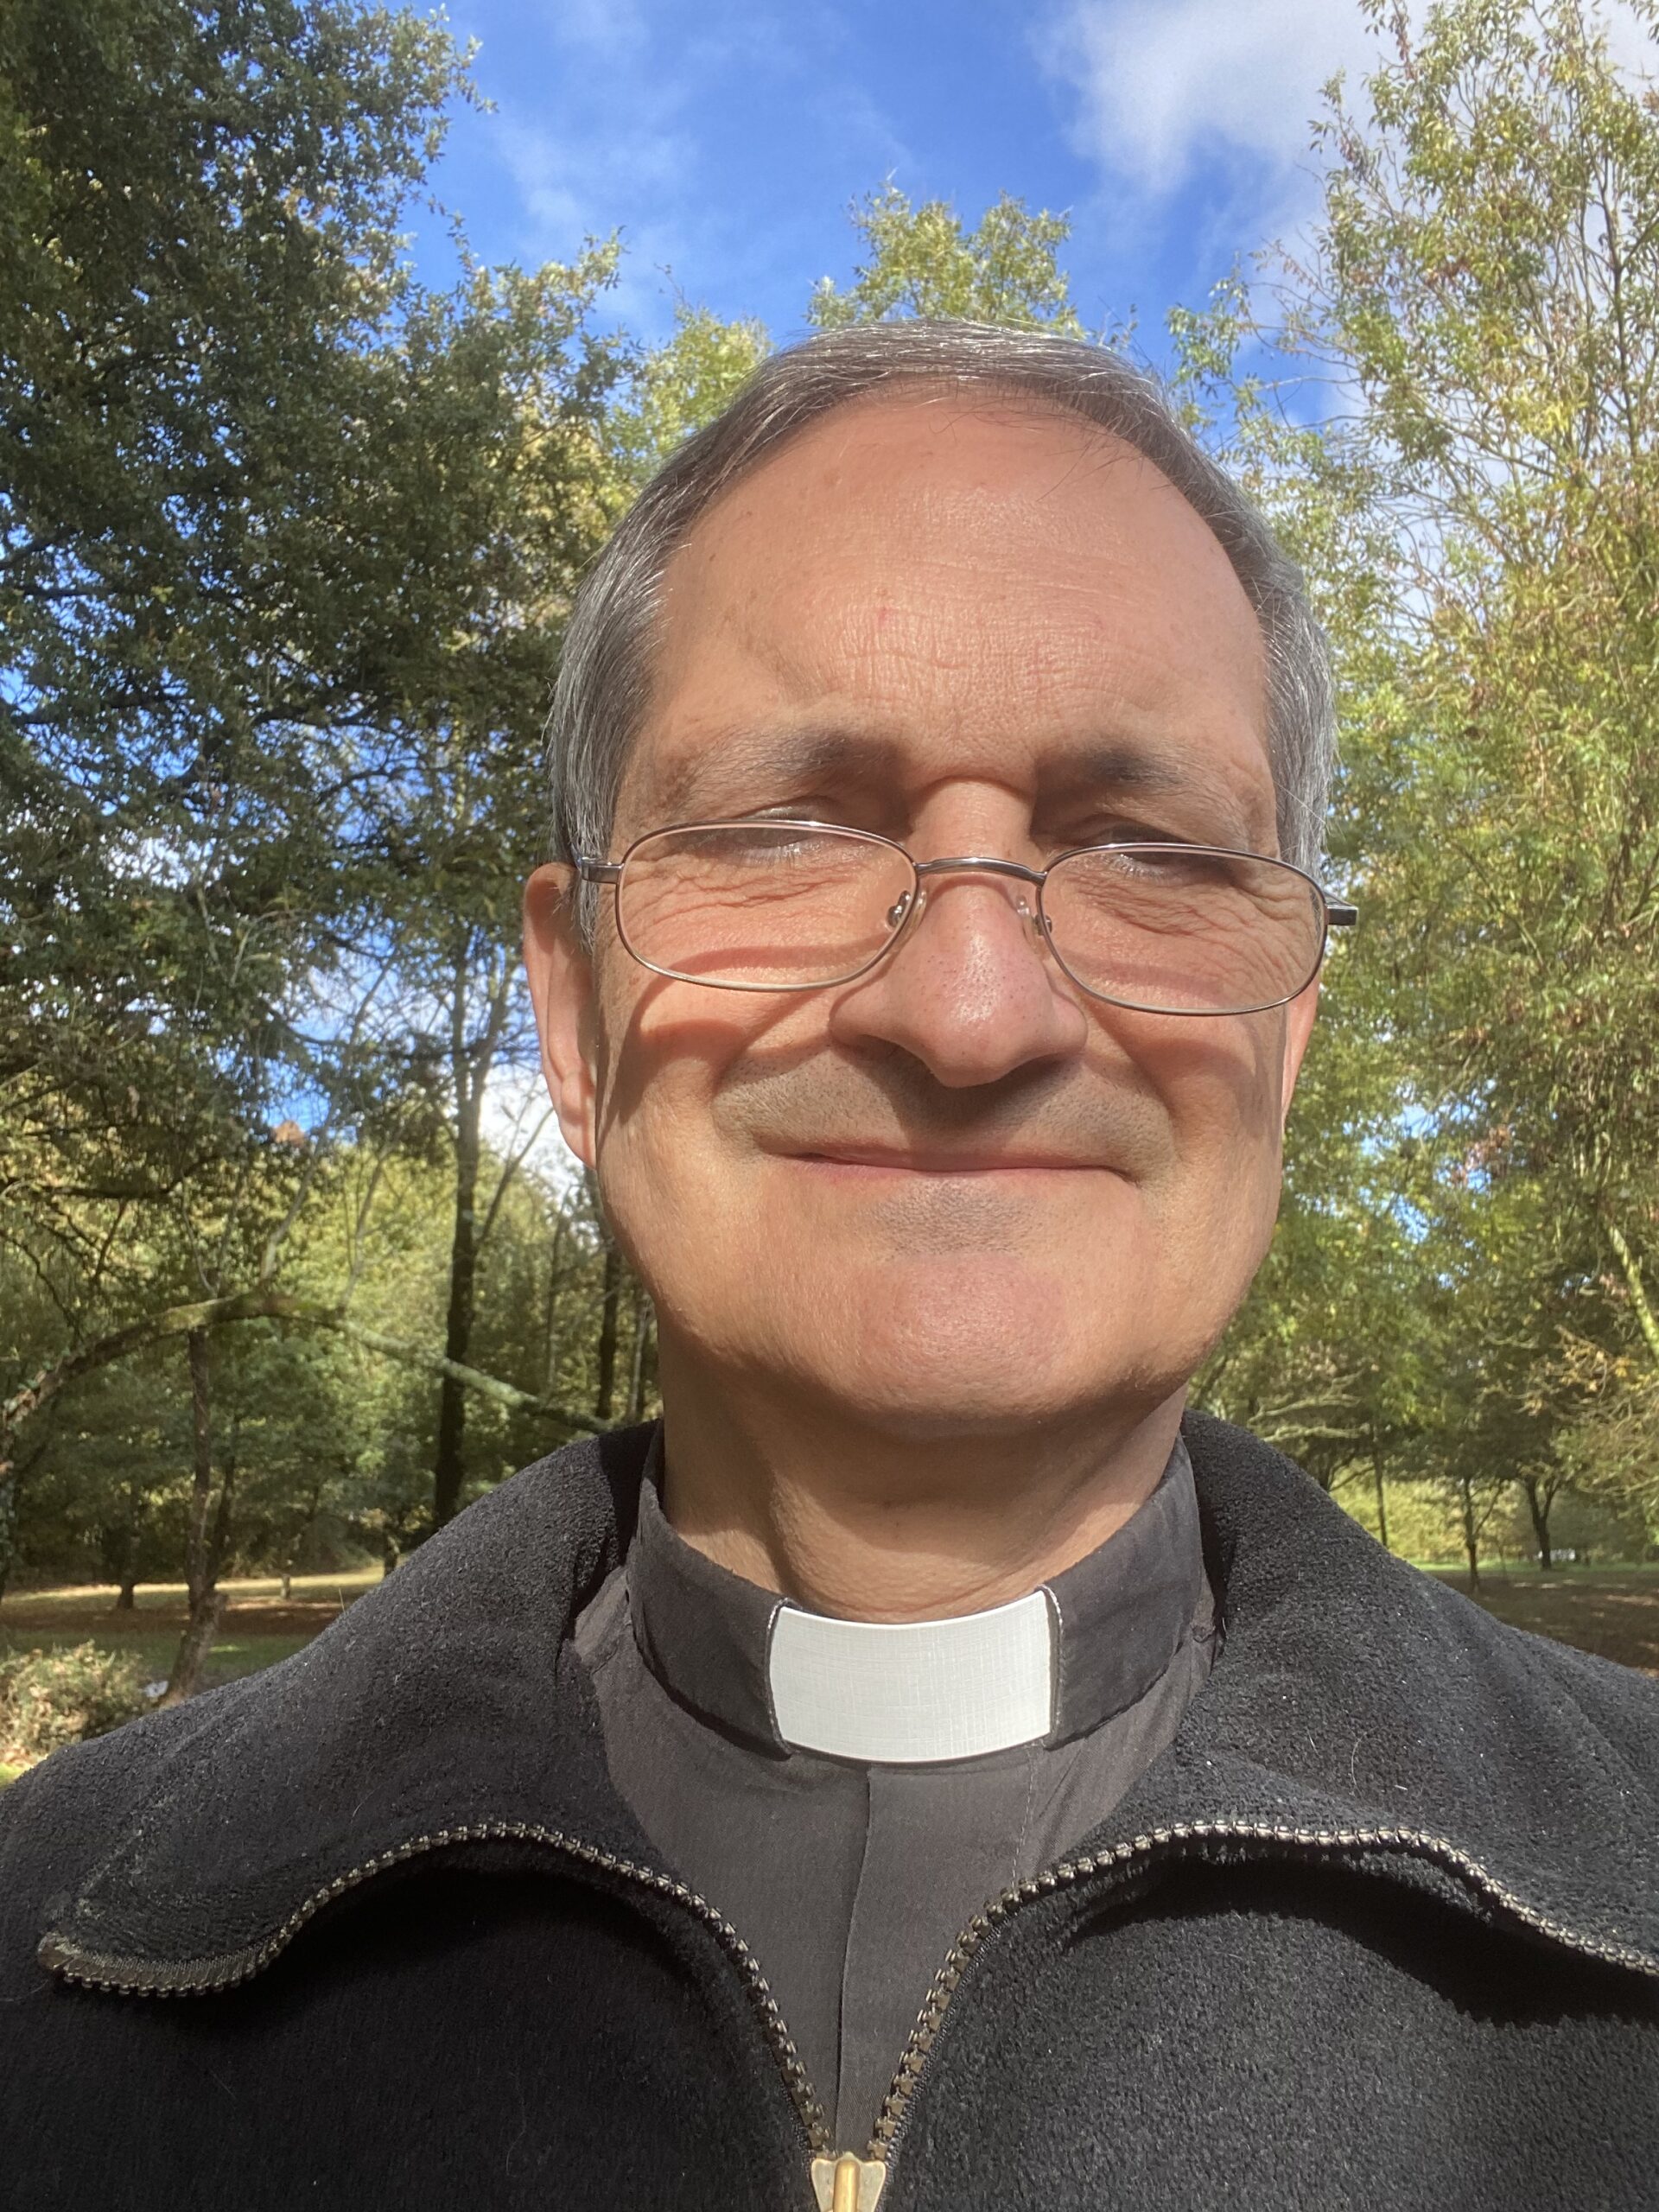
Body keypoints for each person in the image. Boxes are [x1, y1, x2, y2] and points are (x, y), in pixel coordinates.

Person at [2, 323, 1655, 2212]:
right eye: (788, 829)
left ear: (1284, 1037)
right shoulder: (44, 1973)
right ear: (576, 1009)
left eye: (1149, 851)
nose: (969, 1013)